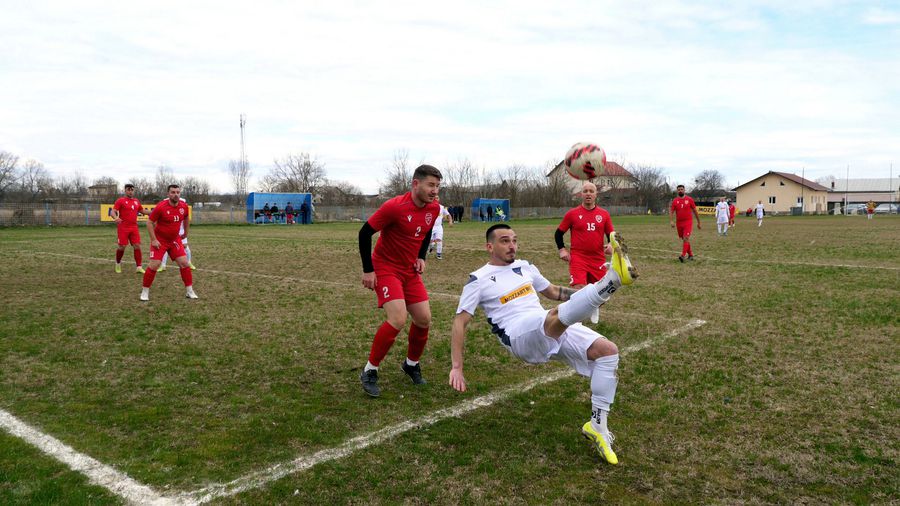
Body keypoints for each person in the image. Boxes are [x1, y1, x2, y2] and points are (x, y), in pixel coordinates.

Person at [449, 224, 636, 465]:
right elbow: (459, 322)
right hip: (517, 334)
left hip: (547, 319)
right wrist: (456, 366)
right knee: (555, 317)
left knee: (607, 352)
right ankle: (610, 283)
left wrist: (585, 299)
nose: (512, 245)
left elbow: (555, 292)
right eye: (505, 241)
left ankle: (597, 426)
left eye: (514, 240)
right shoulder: (478, 279)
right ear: (489, 247)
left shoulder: (525, 267)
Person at [358, 165, 442, 397]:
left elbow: (424, 233)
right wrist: (368, 270)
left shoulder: (433, 208)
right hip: (386, 267)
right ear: (416, 184)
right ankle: (369, 371)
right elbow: (364, 233)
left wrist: (421, 256)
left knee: (424, 319)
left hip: (408, 270)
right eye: (431, 185)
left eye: (438, 186)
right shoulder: (394, 207)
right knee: (397, 318)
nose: (435, 191)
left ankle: (411, 364)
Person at [555, 181, 615, 324]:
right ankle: (576, 322)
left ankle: (593, 307)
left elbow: (611, 233)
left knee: (603, 292)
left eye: (591, 191)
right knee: (578, 290)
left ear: (596, 194)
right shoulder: (572, 214)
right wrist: (562, 249)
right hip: (578, 258)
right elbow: (558, 233)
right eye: (585, 191)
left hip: (598, 259)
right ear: (581, 194)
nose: (588, 193)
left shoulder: (604, 214)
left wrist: (612, 245)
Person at [140, 185, 198, 301]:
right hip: (160, 240)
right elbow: (149, 223)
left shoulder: (183, 206)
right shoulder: (161, 207)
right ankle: (144, 292)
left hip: (174, 240)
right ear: (168, 194)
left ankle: (189, 291)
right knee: (154, 265)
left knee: (184, 263)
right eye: (173, 192)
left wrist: (186, 233)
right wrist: (154, 240)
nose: (176, 194)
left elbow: (186, 218)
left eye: (178, 192)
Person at [111, 183, 150, 273]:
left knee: (137, 246)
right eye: (128, 189)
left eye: (132, 190)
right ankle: (117, 263)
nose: (130, 191)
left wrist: (154, 212)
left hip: (134, 227)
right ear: (125, 190)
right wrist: (115, 218)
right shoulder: (120, 200)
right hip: (123, 227)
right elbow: (113, 211)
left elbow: (142, 210)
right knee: (122, 247)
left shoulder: (136, 201)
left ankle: (139, 267)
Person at [158, 197, 195, 272]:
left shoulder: (183, 209)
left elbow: (186, 221)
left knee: (185, 246)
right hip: (170, 231)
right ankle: (163, 265)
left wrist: (185, 231)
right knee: (165, 248)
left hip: (181, 230)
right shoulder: (166, 207)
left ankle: (189, 262)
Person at [670, 184, 701, 262]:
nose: (680, 190)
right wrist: (671, 221)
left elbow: (695, 211)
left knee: (686, 238)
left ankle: (683, 255)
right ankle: (690, 255)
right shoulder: (675, 201)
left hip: (688, 222)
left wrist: (698, 222)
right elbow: (671, 211)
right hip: (679, 223)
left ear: (684, 190)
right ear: (677, 191)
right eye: (679, 189)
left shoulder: (689, 199)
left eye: (681, 189)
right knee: (684, 239)